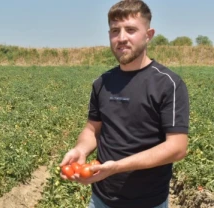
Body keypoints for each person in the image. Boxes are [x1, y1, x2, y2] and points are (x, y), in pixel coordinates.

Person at [60, 1, 189, 208]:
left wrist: (117, 167)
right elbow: (92, 130)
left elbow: (177, 148)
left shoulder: (168, 84)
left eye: (130, 30)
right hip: (101, 199)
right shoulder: (102, 83)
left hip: (149, 202)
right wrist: (81, 151)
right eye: (114, 30)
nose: (121, 38)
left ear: (148, 34)